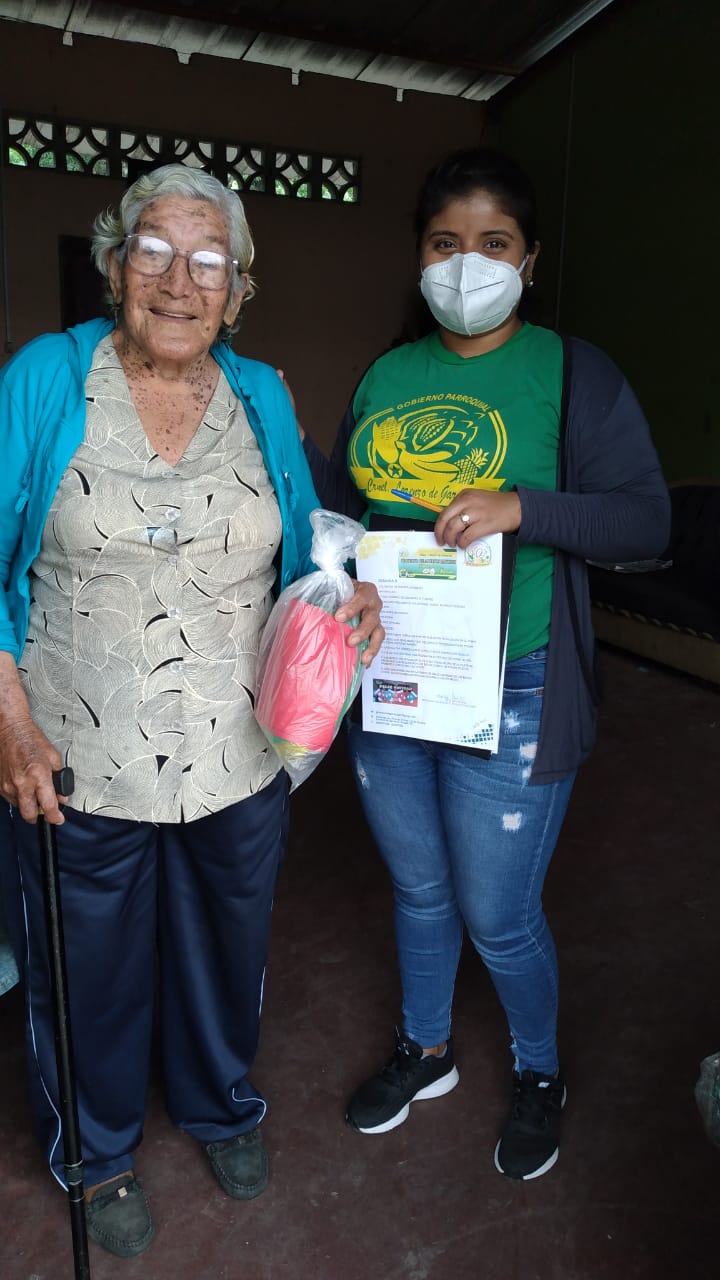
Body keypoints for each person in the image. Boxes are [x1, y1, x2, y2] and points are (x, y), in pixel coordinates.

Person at [0, 163, 383, 1258]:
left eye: (210, 262)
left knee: (226, 944)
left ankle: (220, 1104)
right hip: (76, 753)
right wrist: (10, 719)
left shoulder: (262, 394)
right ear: (114, 264)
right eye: (155, 251)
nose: (180, 281)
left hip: (237, 752)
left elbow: (306, 547)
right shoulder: (45, 378)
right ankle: (98, 1150)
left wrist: (347, 599)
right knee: (90, 967)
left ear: (239, 289)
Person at [302, 147, 670, 1181]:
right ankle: (427, 1050)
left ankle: (540, 1071)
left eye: (493, 243)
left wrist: (522, 507)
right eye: (444, 243)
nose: (467, 264)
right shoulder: (387, 374)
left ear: (530, 259)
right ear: (418, 256)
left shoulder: (572, 372)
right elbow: (344, 514)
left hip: (514, 684)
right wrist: (291, 450)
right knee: (418, 889)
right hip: (393, 678)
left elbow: (647, 520)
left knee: (498, 915)